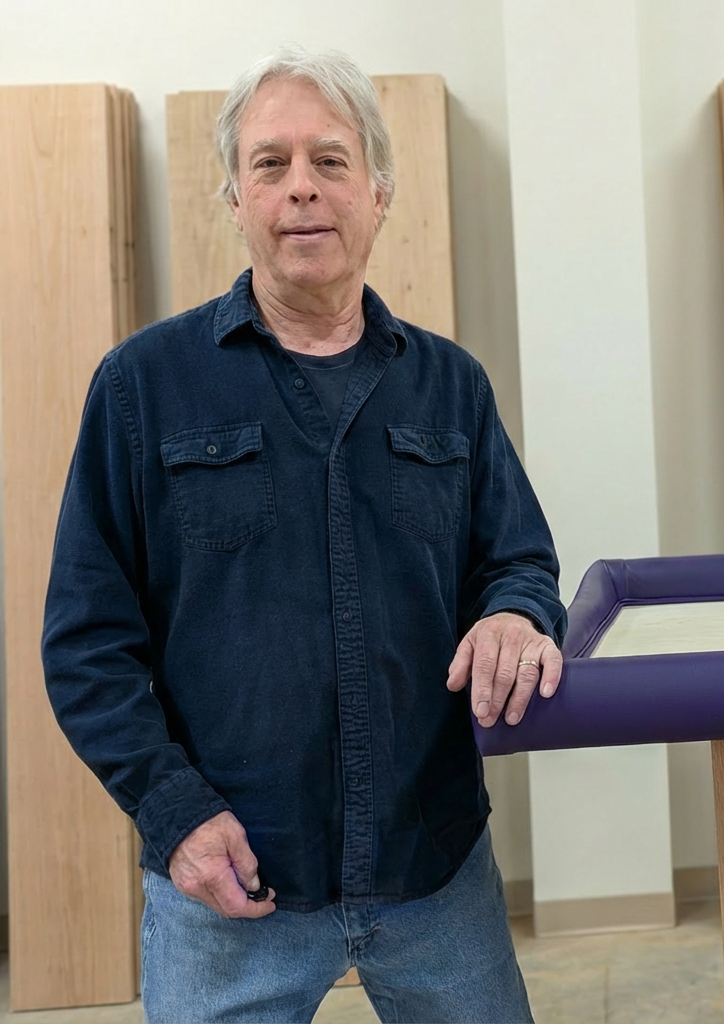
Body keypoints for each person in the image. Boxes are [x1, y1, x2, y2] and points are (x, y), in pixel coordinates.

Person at [42, 46, 566, 1024]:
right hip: (230, 878)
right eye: (270, 163)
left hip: (432, 868)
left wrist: (518, 614)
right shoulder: (142, 388)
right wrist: (174, 813)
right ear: (234, 197)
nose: (301, 190)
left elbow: (517, 559)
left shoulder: (450, 386)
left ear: (378, 191)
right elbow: (85, 642)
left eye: (328, 161)